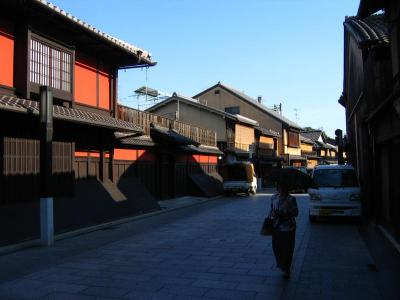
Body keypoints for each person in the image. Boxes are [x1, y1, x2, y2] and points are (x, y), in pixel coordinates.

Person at [270, 180, 298, 278]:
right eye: (279, 186)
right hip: (276, 227)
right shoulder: (274, 197)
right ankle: (281, 264)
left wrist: (288, 209)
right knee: (276, 247)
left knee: (287, 249)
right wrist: (273, 214)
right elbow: (271, 211)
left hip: (288, 228)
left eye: (283, 186)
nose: (280, 188)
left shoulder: (291, 199)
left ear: (287, 188)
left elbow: (296, 213)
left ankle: (286, 269)